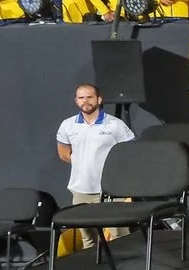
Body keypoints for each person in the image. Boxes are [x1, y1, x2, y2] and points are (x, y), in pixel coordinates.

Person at [55, 83, 136, 250]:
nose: (85, 101)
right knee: (88, 238)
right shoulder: (68, 125)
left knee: (120, 235)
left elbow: (130, 152)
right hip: (81, 190)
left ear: (99, 99)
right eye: (81, 97)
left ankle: (126, 269)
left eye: (89, 97)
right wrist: (84, 162)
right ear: (76, 101)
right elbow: (63, 152)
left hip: (112, 191)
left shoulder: (115, 125)